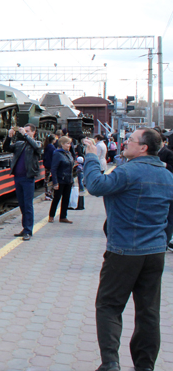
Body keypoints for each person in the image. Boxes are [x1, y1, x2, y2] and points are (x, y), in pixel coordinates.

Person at [83, 129, 173, 371]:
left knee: (109, 306)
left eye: (131, 140)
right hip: (154, 253)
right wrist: (164, 239)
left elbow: (95, 185)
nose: (125, 143)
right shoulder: (167, 176)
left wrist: (91, 157)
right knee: (149, 311)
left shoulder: (128, 171)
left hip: (124, 251)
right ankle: (145, 366)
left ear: (143, 147)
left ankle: (111, 363)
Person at [3, 124, 42, 240]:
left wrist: (25, 135)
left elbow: (37, 149)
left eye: (28, 131)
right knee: (22, 204)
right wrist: (9, 137)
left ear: (33, 133)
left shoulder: (36, 143)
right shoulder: (19, 144)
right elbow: (7, 148)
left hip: (28, 178)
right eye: (25, 131)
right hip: (18, 178)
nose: (26, 133)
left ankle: (28, 230)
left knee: (28, 204)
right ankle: (25, 228)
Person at [48, 136, 74, 223]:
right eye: (67, 143)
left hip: (68, 180)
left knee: (66, 198)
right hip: (60, 180)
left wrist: (72, 180)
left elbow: (71, 167)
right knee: (57, 198)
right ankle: (51, 215)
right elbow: (54, 168)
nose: (69, 145)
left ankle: (63, 216)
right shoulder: (57, 154)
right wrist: (55, 182)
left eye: (70, 143)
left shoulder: (68, 154)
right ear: (62, 144)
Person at [42, 134, 57, 201]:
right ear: (53, 140)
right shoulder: (52, 147)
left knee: (46, 179)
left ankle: (47, 193)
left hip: (47, 165)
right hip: (51, 165)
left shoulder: (46, 146)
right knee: (55, 179)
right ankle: (50, 193)